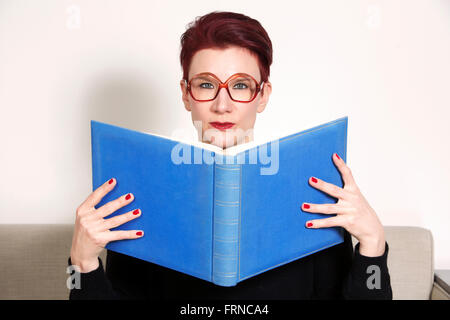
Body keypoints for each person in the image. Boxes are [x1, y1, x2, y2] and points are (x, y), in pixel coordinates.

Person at [69, 11, 392, 300]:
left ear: (262, 95)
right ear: (186, 94)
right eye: (206, 85)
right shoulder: (140, 191)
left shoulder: (313, 189)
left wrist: (374, 248)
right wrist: (81, 266)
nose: (222, 105)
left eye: (240, 86)